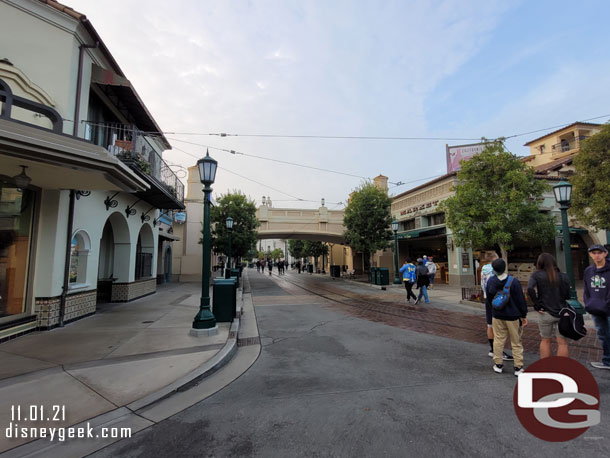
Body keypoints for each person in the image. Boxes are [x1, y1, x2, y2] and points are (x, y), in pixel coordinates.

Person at [486, 258, 528, 376]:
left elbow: (489, 300)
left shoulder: (491, 281)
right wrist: (523, 315)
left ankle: (498, 364)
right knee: (516, 341)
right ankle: (518, 367)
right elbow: (521, 300)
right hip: (513, 316)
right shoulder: (513, 281)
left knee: (498, 340)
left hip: (497, 315)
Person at [527, 253, 570, 359]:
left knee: (545, 340)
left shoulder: (537, 275)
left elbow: (529, 288)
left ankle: (545, 367)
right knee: (562, 342)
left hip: (545, 312)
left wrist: (536, 304)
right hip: (561, 312)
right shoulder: (563, 276)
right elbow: (567, 295)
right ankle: (561, 369)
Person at [481, 251, 513, 361]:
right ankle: (499, 351)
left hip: (488, 299)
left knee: (490, 325)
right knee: (499, 328)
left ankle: (492, 349)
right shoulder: (495, 271)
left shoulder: (483, 269)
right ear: (495, 258)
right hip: (497, 300)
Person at [583, 244, 610, 370]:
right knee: (602, 335)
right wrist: (588, 303)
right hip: (596, 309)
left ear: (605, 253)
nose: (597, 255)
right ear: (590, 254)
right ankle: (607, 360)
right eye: (594, 253)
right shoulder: (588, 271)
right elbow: (587, 289)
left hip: (608, 308)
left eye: (599, 252)